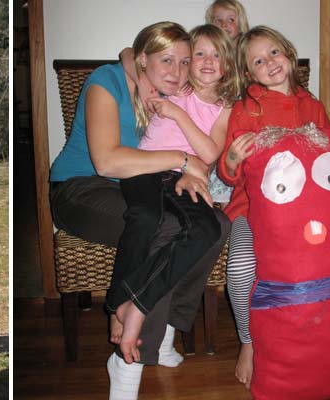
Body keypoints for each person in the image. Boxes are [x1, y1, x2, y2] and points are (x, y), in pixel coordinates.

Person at [48, 22, 229, 400]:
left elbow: (200, 131)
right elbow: (108, 162)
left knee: (216, 225)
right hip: (80, 189)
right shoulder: (106, 81)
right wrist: (184, 160)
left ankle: (164, 330)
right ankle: (128, 360)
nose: (177, 71)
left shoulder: (173, 90)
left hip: (144, 189)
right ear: (142, 60)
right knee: (165, 229)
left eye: (184, 61)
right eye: (167, 60)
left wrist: (191, 172)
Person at [218, 25, 330, 390]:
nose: (269, 63)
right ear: (249, 73)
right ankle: (249, 343)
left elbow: (329, 164)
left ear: (288, 53)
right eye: (258, 61)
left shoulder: (312, 105)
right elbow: (231, 176)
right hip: (250, 210)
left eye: (274, 53)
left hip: (306, 217)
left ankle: (326, 337)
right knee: (238, 269)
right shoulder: (245, 110)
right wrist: (232, 159)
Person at [113, 24, 240, 369]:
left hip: (183, 177)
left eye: (217, 55)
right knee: (157, 226)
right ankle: (134, 314)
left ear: (228, 65)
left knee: (210, 229)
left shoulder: (226, 107)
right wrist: (143, 83)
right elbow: (129, 56)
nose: (208, 61)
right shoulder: (176, 84)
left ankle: (147, 312)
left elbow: (211, 151)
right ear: (187, 62)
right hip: (144, 173)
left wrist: (178, 115)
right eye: (199, 54)